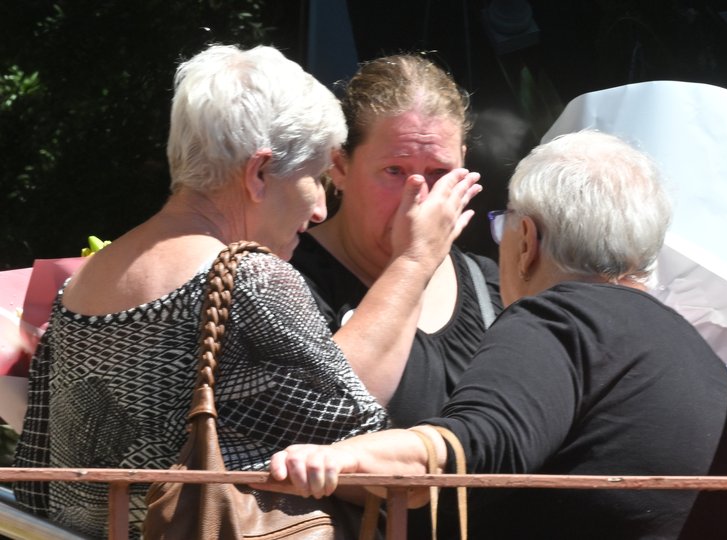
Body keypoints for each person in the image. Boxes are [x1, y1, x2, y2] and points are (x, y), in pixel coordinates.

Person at [12, 44, 481, 539]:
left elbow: (42, 473)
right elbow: (361, 447)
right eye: (314, 177)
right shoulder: (252, 278)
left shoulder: (81, 280)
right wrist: (414, 260)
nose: (320, 207)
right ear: (258, 173)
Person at [263, 131, 727, 539]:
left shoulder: (558, 319)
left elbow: (481, 442)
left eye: (502, 226)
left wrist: (341, 456)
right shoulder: (694, 353)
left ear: (526, 239)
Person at [290, 54, 503, 428]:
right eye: (394, 171)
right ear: (340, 166)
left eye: (439, 171)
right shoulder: (288, 282)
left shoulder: (491, 286)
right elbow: (323, 420)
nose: (418, 195)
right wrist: (414, 260)